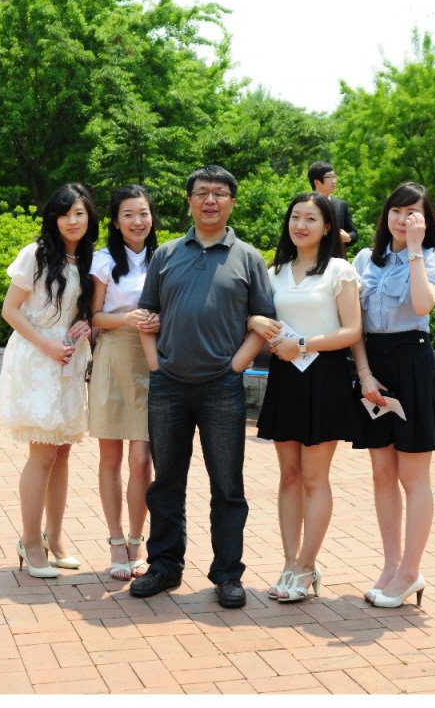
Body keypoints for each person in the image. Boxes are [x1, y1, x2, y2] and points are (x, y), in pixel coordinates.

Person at [129, 165, 275, 608]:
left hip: (221, 390)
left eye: (219, 193)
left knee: (227, 486)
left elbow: (265, 322)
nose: (210, 200)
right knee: (166, 482)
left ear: (232, 202)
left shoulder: (248, 258)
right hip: (168, 386)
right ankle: (164, 565)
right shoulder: (166, 254)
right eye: (202, 192)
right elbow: (147, 315)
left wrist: (236, 367)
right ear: (189, 200)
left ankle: (228, 574)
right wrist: (155, 366)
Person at [351, 182, 435, 609]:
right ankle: (391, 566)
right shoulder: (365, 259)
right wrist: (364, 373)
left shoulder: (430, 257)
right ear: (386, 214)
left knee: (413, 478)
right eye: (397, 210)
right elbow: (355, 324)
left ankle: (411, 571)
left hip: (413, 366)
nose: (403, 219)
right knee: (382, 474)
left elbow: (421, 306)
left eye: (413, 212)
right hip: (375, 370)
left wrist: (415, 248)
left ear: (425, 220)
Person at [250, 193, 362, 602]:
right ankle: (288, 562)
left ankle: (306, 566)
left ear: (328, 226)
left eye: (311, 218)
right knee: (289, 476)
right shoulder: (274, 271)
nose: (300, 225)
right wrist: (255, 320)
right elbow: (257, 316)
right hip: (285, 377)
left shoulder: (340, 270)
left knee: (315, 477)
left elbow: (353, 330)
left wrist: (303, 344)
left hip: (325, 376)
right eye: (295, 217)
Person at [0, 184, 98, 577]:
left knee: (62, 454)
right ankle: (30, 541)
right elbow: (10, 310)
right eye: (64, 213)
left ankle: (54, 539)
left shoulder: (88, 259)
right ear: (53, 218)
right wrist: (47, 345)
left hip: (69, 360)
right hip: (38, 359)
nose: (72, 221)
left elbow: (84, 310)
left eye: (79, 213)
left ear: (89, 217)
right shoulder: (35, 254)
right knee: (41, 455)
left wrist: (85, 325)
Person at [89, 184, 160, 581]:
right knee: (111, 458)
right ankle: (116, 540)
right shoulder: (102, 260)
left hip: (150, 359)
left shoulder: (163, 257)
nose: (137, 221)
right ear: (116, 222)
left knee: (141, 459)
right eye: (129, 214)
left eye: (143, 213)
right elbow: (94, 316)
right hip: (113, 355)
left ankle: (137, 539)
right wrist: (126, 319)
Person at [308, 161, 357, 252]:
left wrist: (348, 237)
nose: (333, 181)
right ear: (317, 182)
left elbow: (354, 233)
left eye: (334, 176)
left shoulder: (341, 205)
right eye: (329, 177)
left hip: (336, 257)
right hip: (311, 256)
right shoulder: (306, 205)